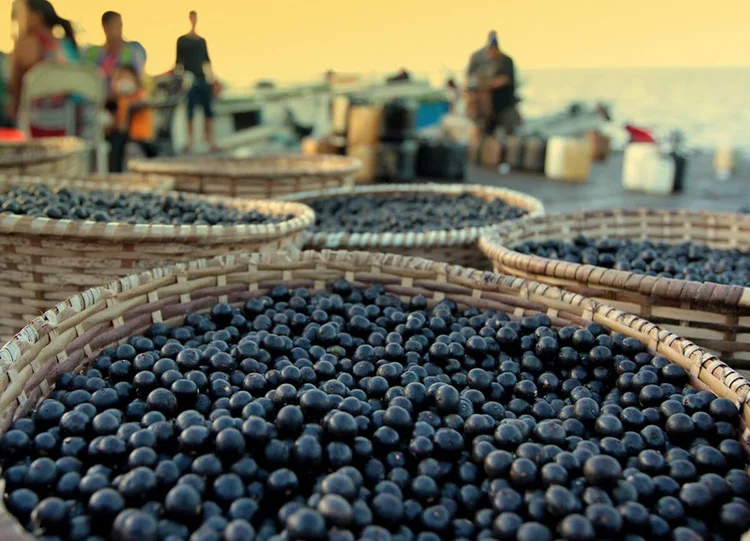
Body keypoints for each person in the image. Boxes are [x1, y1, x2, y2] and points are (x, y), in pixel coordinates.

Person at [9, 0, 82, 137]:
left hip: (33, 126)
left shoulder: (25, 43)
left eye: (24, 14)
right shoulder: (65, 45)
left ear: (37, 16)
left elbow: (15, 85)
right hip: (68, 125)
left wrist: (14, 110)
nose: (20, 19)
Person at [176, 10, 218, 152]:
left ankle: (210, 141)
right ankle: (191, 142)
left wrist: (213, 80)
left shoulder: (201, 41)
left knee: (208, 111)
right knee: (190, 111)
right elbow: (178, 64)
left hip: (202, 78)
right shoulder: (182, 41)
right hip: (189, 80)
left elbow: (207, 61)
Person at [84, 11, 146, 107]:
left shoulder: (132, 52)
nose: (119, 30)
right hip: (99, 104)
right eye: (114, 25)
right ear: (105, 27)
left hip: (127, 104)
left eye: (120, 25)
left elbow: (139, 82)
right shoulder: (93, 53)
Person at [107, 64, 156, 172]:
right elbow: (119, 125)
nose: (120, 81)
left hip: (140, 138)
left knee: (118, 142)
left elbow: (145, 102)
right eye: (117, 78)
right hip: (124, 137)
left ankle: (116, 173)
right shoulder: (120, 99)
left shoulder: (139, 94)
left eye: (124, 76)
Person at [477, 36, 518, 136]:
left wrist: (487, 84)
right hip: (492, 108)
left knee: (510, 134)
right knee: (488, 135)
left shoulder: (506, 61)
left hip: (506, 105)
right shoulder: (489, 63)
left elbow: (505, 79)